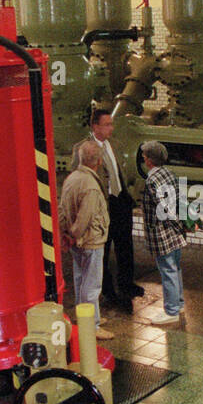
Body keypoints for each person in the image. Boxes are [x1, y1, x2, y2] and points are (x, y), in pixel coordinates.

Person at [71, 109, 143, 313]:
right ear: (95, 127)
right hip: (103, 205)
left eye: (112, 124)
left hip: (120, 200)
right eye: (107, 124)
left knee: (125, 244)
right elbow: (79, 177)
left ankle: (127, 284)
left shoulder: (115, 145)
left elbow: (120, 171)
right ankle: (109, 291)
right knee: (103, 249)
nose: (111, 128)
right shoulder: (83, 149)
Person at [58, 142, 114, 340]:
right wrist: (74, 234)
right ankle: (93, 326)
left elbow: (62, 209)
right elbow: (85, 217)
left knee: (81, 280)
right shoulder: (91, 186)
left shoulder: (72, 178)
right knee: (92, 286)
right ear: (98, 161)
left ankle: (88, 317)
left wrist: (64, 234)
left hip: (77, 242)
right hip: (90, 241)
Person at [139, 140, 187, 325]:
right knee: (175, 268)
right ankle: (179, 302)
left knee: (167, 270)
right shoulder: (169, 173)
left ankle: (171, 310)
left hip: (162, 232)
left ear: (149, 160)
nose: (143, 158)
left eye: (144, 156)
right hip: (175, 231)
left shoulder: (152, 180)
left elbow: (163, 208)